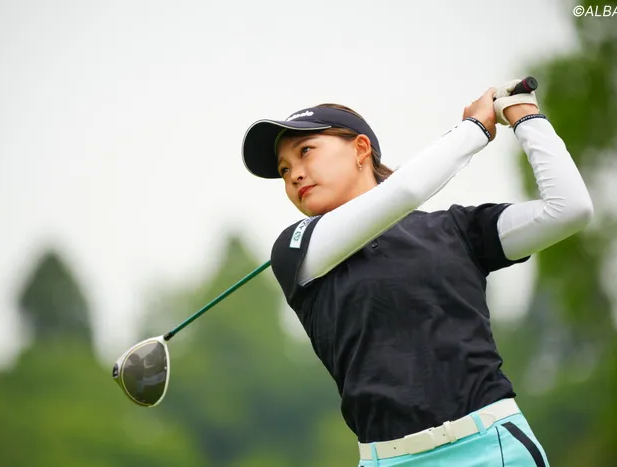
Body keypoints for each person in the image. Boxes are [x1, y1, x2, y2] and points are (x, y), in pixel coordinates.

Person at [240, 80, 593, 467]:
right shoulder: (296, 251)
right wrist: (474, 129)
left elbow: (568, 210)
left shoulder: (456, 230)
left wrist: (526, 116)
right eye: (284, 169)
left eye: (306, 151)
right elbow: (406, 191)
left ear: (360, 149)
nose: (294, 175)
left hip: (493, 448)